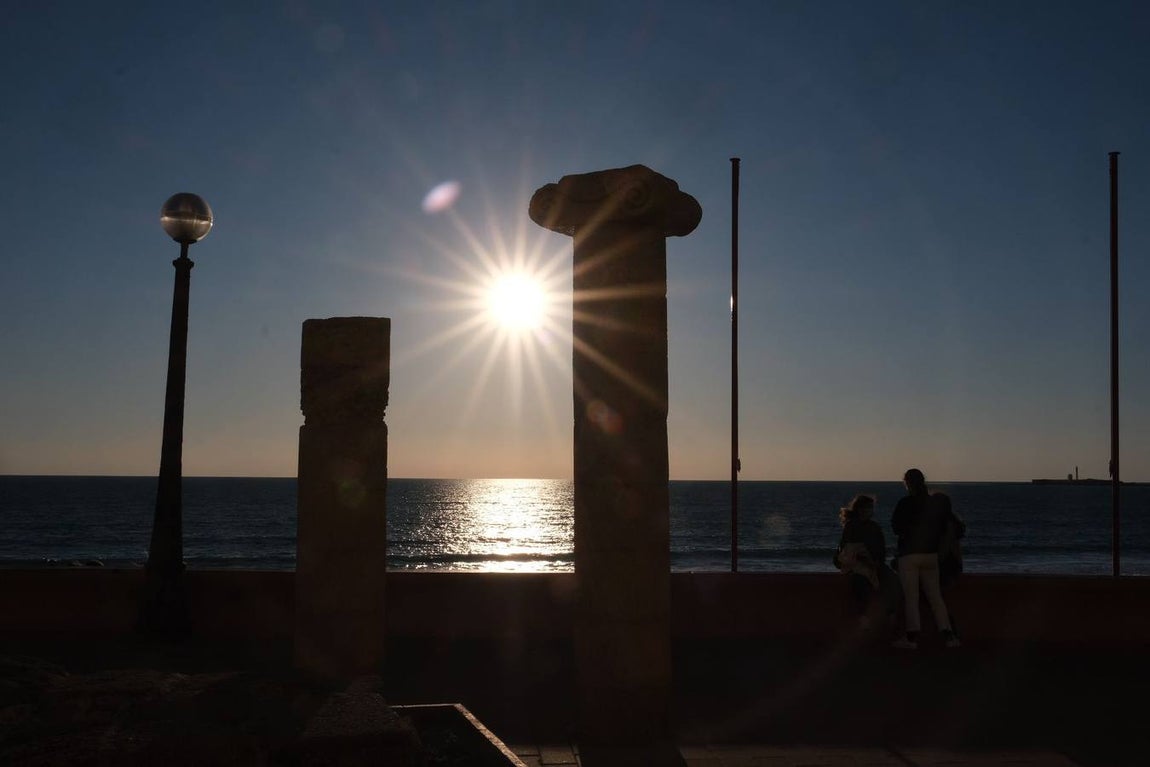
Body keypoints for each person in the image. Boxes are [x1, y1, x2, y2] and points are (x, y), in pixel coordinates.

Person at [890, 469, 960, 649]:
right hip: (931, 555)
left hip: (909, 555)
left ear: (907, 483)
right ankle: (949, 636)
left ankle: (911, 638)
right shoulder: (934, 503)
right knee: (935, 597)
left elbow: (896, 528)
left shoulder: (905, 503)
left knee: (911, 597)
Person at [834, 494, 899, 627]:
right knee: (860, 582)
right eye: (864, 508)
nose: (867, 511)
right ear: (858, 509)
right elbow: (847, 547)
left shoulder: (874, 527)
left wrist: (876, 562)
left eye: (869, 508)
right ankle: (863, 616)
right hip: (858, 563)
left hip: (874, 563)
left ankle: (890, 612)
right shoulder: (851, 526)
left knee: (892, 581)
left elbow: (881, 549)